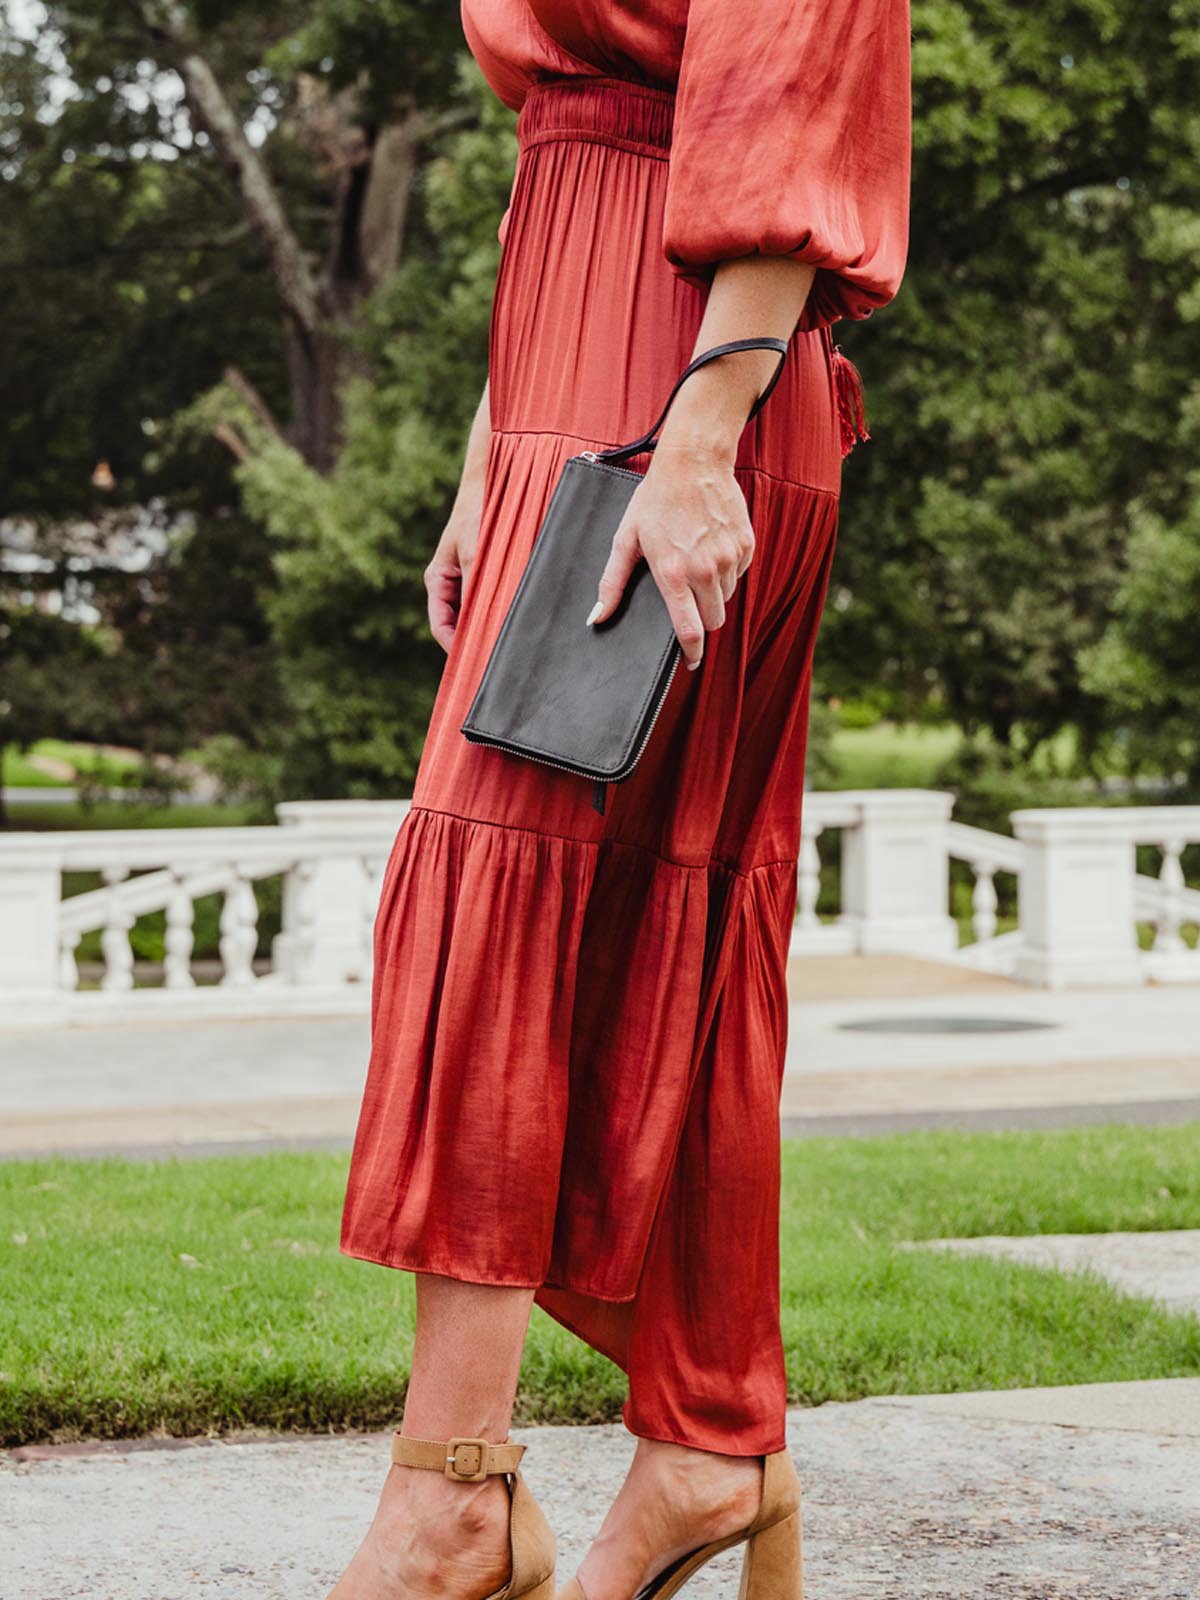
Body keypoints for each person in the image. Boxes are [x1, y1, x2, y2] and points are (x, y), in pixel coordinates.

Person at [330, 3, 911, 1598]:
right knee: (626, 928)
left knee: (508, 909)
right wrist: (484, 466)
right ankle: (710, 1443)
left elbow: (797, 87)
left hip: (682, 409)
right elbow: (566, 161)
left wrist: (700, 441)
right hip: (575, 403)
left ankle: (455, 1497)